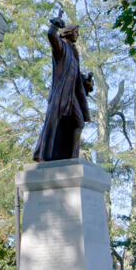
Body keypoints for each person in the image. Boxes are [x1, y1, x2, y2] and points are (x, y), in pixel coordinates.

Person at [32, 16, 94, 162]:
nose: (78, 35)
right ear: (68, 32)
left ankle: (72, 157)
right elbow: (51, 35)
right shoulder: (61, 48)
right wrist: (55, 25)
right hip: (60, 95)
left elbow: (75, 75)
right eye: (76, 32)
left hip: (72, 96)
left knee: (79, 123)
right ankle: (43, 155)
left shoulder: (74, 53)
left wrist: (86, 82)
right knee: (54, 125)